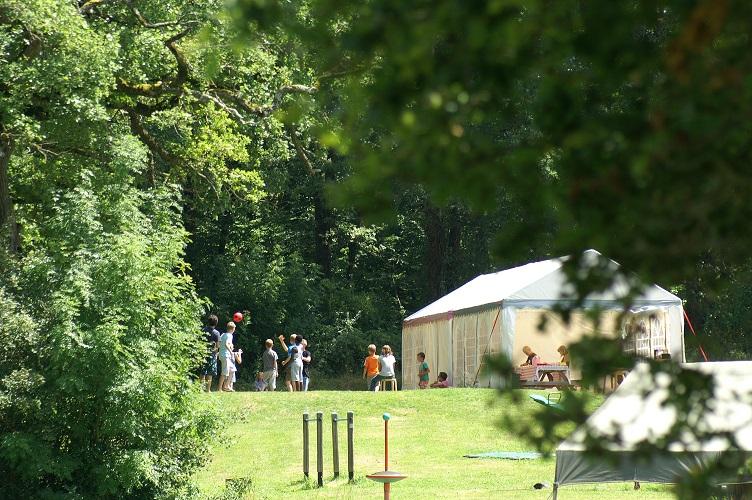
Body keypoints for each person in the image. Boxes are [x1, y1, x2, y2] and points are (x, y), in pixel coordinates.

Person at [200, 314, 220, 392]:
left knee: (202, 371)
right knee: (210, 372)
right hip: (212, 354)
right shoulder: (216, 333)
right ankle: (208, 390)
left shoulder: (203, 330)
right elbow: (218, 345)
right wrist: (216, 353)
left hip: (203, 353)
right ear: (216, 323)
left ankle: (200, 389)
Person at [218, 321, 236, 392]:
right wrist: (231, 352)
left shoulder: (223, 334)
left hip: (223, 355)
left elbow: (219, 344)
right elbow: (226, 344)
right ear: (233, 329)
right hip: (225, 355)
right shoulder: (229, 335)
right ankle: (219, 389)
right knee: (224, 372)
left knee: (232, 369)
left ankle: (226, 386)